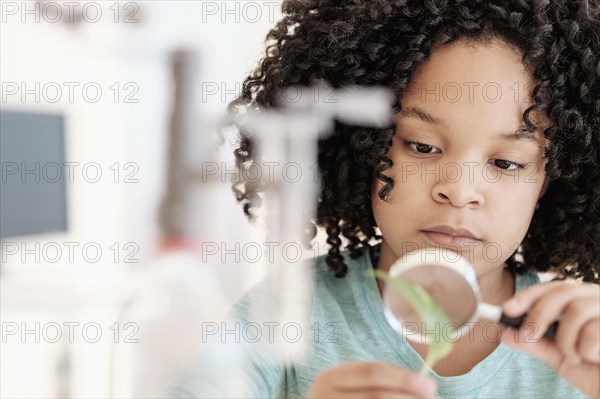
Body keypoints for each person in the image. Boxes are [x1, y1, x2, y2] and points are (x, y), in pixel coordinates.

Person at [159, 0, 600, 397]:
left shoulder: (579, 354)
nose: (460, 191)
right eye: (422, 146)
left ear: (551, 179)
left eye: (505, 163)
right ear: (364, 145)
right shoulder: (285, 314)